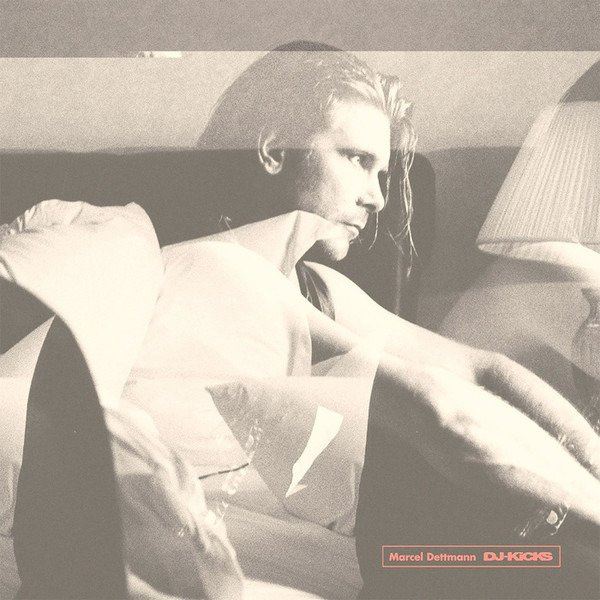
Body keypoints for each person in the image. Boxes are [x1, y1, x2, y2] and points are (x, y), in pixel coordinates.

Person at [192, 41, 600, 598]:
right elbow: (439, 413)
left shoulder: (314, 284)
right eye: (358, 160)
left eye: (382, 172)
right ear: (273, 149)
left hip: (357, 555)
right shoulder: (214, 268)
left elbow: (483, 369)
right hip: (251, 561)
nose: (377, 198)